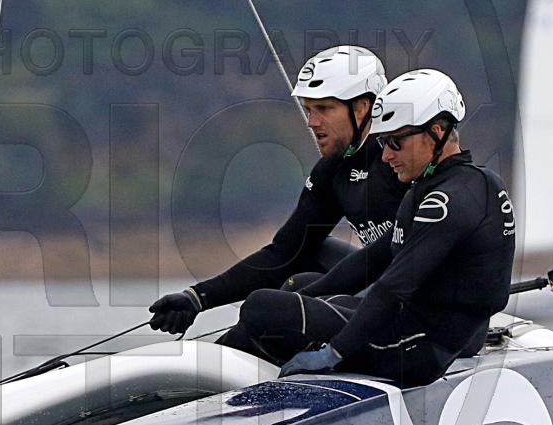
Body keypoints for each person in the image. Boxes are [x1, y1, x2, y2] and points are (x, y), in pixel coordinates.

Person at [216, 69, 516, 388]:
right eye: (383, 142)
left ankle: (214, 377)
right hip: (412, 329)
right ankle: (215, 366)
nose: (386, 156)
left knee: (262, 307)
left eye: (395, 142)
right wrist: (304, 296)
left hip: (417, 350)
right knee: (296, 289)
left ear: (437, 132)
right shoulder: (452, 185)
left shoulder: (446, 201)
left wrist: (334, 353)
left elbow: (392, 287)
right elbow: (371, 260)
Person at [147, 46, 405, 336]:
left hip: (415, 301)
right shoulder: (332, 169)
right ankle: (221, 356)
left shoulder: (402, 157)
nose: (312, 122)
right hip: (378, 282)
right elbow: (284, 252)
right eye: (309, 110)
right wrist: (197, 297)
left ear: (361, 108)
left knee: (283, 297)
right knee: (308, 256)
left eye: (324, 109)